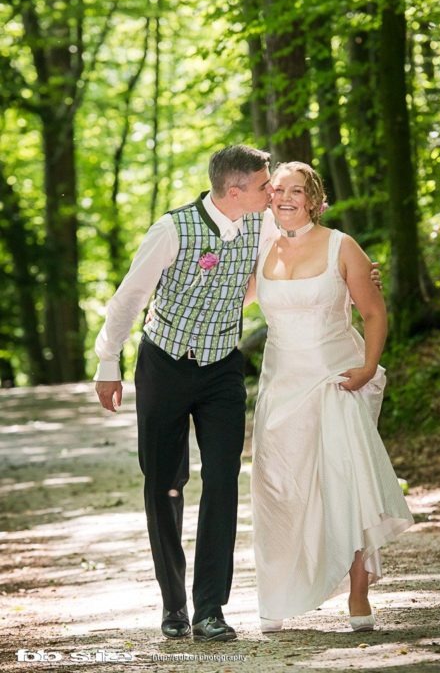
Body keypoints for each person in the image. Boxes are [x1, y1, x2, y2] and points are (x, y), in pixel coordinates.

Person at [95, 144, 275, 642]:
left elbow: (287, 268)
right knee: (164, 483)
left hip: (221, 369)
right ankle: (173, 604)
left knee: (222, 479)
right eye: (264, 185)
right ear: (234, 190)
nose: (272, 192)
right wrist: (108, 361)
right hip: (164, 365)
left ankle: (210, 608)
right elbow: (130, 295)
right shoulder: (172, 229)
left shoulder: (264, 225)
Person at [248, 161, 413, 633]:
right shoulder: (260, 252)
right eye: (276, 190)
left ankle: (358, 595)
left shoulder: (344, 246)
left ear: (315, 199)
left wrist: (366, 368)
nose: (284, 198)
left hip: (337, 380)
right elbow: (231, 300)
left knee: (347, 484)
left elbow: (374, 314)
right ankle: (278, 593)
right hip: (281, 390)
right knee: (277, 491)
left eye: (295, 191)